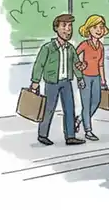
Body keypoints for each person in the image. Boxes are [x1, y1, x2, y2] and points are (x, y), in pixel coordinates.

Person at [30, 14, 85, 146]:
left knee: (69, 108)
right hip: (52, 82)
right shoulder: (48, 48)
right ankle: (42, 135)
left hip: (66, 82)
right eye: (64, 26)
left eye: (70, 26)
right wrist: (35, 82)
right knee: (48, 108)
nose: (68, 30)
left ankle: (70, 136)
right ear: (56, 28)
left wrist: (80, 77)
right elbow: (39, 65)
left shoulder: (70, 48)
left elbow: (75, 64)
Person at [74, 15, 108, 141]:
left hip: (97, 77)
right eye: (95, 27)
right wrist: (79, 67)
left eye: (101, 27)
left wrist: (103, 80)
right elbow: (74, 56)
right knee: (86, 105)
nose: (99, 30)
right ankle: (88, 130)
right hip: (85, 77)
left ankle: (79, 119)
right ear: (89, 29)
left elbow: (101, 64)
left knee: (96, 102)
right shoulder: (84, 44)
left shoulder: (100, 47)